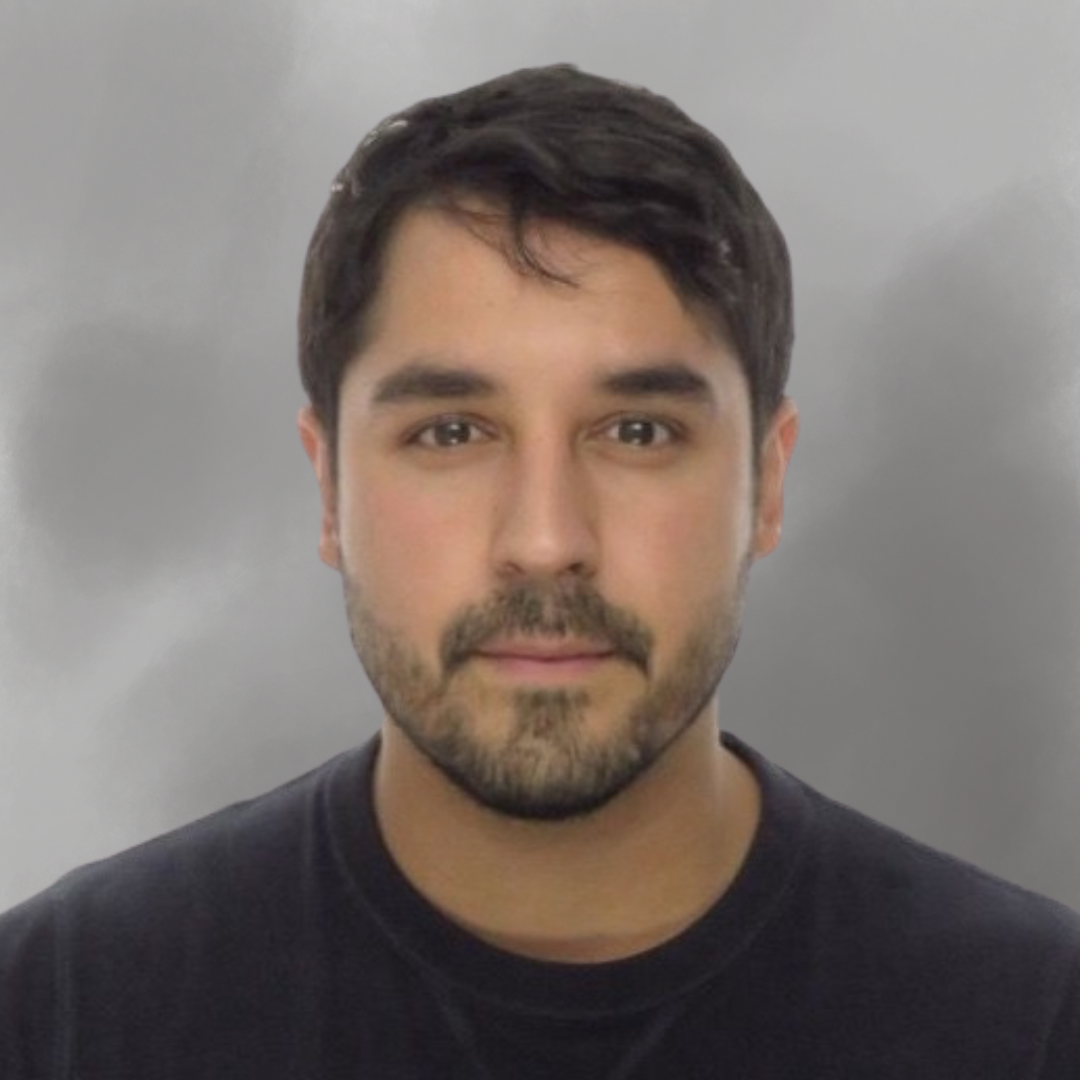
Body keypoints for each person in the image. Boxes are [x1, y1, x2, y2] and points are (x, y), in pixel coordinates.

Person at [1, 62, 1078, 1079]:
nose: (548, 537)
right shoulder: (62, 1011)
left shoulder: (1033, 1021)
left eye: (639, 432)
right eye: (455, 432)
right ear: (328, 489)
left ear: (769, 483)